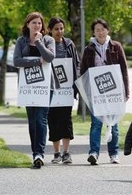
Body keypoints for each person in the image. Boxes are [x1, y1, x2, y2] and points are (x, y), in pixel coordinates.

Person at [80, 18, 129, 165]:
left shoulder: (116, 47)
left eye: (102, 29)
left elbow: (124, 70)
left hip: (113, 92)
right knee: (96, 123)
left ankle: (113, 154)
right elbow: (83, 72)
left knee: (112, 124)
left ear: (107, 30)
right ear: (93, 33)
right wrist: (84, 92)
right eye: (97, 30)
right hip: (97, 93)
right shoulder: (89, 50)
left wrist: (125, 92)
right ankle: (93, 153)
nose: (100, 32)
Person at [13, 12, 59, 168]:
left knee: (41, 119)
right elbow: (17, 61)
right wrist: (38, 61)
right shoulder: (21, 41)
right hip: (28, 88)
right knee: (32, 121)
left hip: (46, 87)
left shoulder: (48, 40)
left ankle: (39, 154)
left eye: (39, 23)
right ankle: (35, 154)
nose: (37, 26)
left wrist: (39, 43)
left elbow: (50, 57)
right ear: (27, 25)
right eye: (33, 23)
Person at [47, 17, 80, 164]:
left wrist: (75, 80)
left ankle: (66, 152)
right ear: (50, 30)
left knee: (66, 120)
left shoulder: (69, 44)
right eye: (56, 29)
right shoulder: (47, 44)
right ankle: (56, 153)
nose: (59, 31)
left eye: (61, 28)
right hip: (50, 89)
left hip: (66, 89)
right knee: (53, 119)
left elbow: (76, 64)